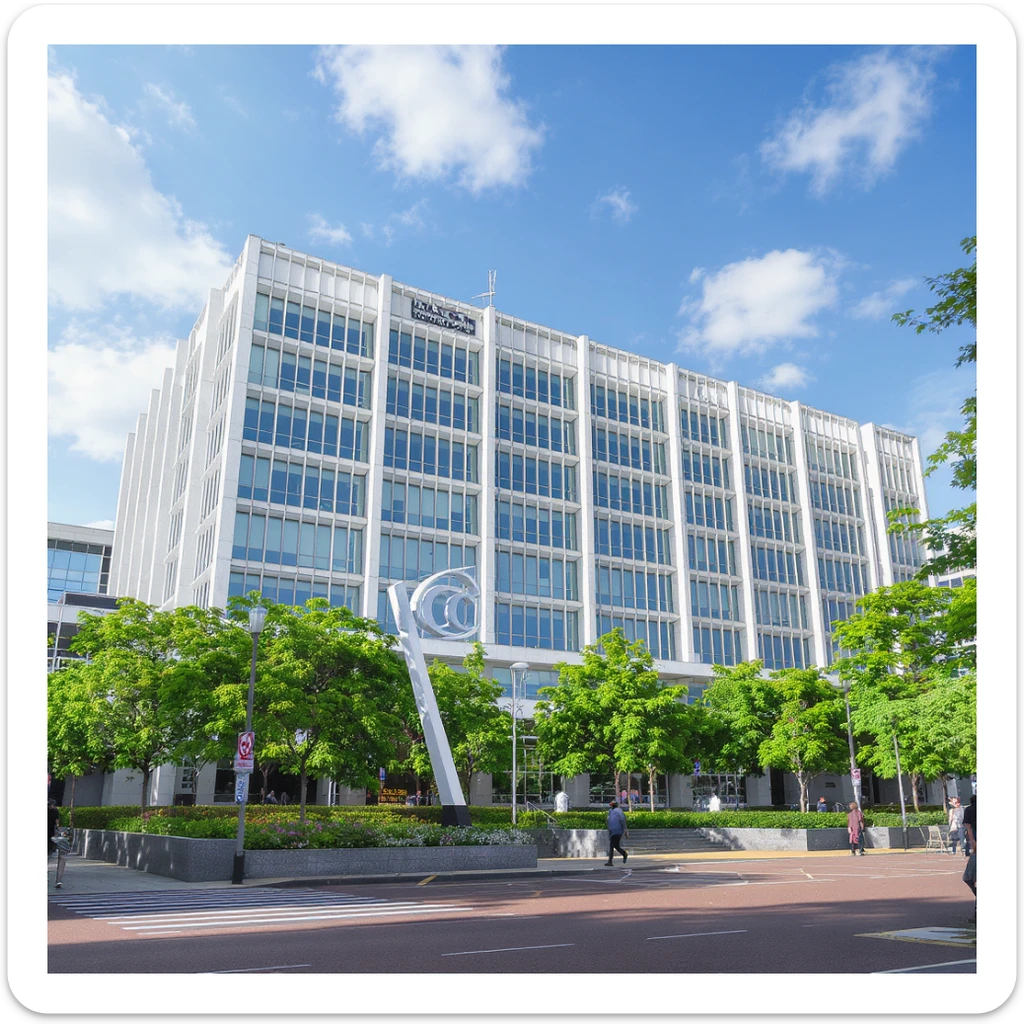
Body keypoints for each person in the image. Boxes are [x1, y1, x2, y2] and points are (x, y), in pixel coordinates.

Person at [962, 795, 976, 923]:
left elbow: (969, 828)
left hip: (977, 849)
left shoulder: (970, 810)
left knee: (968, 877)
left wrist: (973, 844)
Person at [605, 800, 628, 866]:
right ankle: (624, 853)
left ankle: (610, 861)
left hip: (617, 830)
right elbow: (608, 821)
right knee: (615, 846)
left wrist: (625, 830)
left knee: (612, 845)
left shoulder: (619, 811)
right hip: (612, 831)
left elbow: (623, 820)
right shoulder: (610, 811)